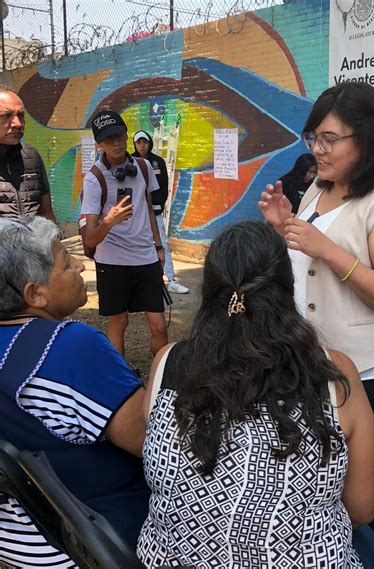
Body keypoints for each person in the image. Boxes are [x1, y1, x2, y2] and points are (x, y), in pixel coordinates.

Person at [137, 221, 374, 568]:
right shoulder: (335, 376)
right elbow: (360, 508)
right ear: (287, 286)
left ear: (210, 290)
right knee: (369, 547)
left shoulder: (167, 364)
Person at [259, 82, 374, 531]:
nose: (318, 149)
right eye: (314, 137)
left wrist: (329, 250)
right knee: (320, 476)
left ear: (368, 139)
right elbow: (308, 257)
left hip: (364, 366)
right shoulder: (319, 187)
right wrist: (285, 225)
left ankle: (363, 553)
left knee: (356, 486)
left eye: (330, 139)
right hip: (309, 357)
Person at [0, 216, 150, 568]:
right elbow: (152, 444)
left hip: (21, 541)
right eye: (67, 265)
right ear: (34, 294)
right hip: (97, 543)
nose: (82, 264)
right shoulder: (72, 348)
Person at [80, 111, 168, 357]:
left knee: (159, 326)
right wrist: (109, 221)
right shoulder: (94, 179)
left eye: (119, 136)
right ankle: (122, 385)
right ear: (100, 144)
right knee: (119, 324)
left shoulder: (143, 166)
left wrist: (159, 247)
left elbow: (149, 207)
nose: (117, 143)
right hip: (112, 260)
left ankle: (161, 380)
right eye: (109, 139)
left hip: (145, 256)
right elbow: (90, 239)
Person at [132, 130, 189, 294]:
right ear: (135, 144)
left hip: (154, 212)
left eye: (145, 142)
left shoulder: (158, 162)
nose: (142, 146)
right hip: (136, 214)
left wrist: (159, 204)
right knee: (136, 245)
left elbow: (164, 186)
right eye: (139, 143)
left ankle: (171, 280)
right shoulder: (130, 161)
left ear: (149, 143)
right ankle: (139, 282)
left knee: (162, 244)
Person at [0, 87, 56, 222]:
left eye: (20, 115)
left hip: (33, 242)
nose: (17, 124)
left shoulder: (31, 157)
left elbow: (47, 213)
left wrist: (53, 240)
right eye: (6, 116)